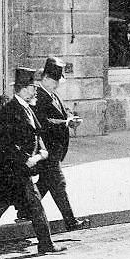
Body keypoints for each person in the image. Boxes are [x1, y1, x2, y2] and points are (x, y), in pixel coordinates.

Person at [0, 67, 66, 255]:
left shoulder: (27, 107)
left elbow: (37, 133)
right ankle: (46, 244)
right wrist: (29, 159)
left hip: (18, 167)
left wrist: (42, 151)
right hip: (12, 167)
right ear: (22, 89)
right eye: (32, 87)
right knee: (35, 203)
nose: (35, 90)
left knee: (4, 201)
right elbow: (6, 143)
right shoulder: (9, 111)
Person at [24, 57, 90, 231]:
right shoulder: (38, 97)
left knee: (46, 183)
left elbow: (61, 112)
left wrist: (69, 118)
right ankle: (71, 222)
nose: (57, 84)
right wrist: (65, 123)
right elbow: (42, 122)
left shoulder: (52, 94)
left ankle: (23, 209)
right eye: (54, 81)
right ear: (45, 78)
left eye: (58, 81)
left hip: (55, 148)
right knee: (59, 184)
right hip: (47, 148)